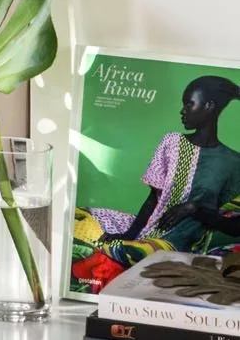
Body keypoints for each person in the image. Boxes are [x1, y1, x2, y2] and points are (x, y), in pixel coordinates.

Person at [75, 77, 240, 273]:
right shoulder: (172, 142)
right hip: (150, 230)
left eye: (189, 103)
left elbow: (234, 228)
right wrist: (130, 233)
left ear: (208, 106)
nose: (182, 110)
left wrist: (194, 209)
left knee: (127, 253)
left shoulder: (233, 162)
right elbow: (154, 198)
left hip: (183, 243)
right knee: (78, 219)